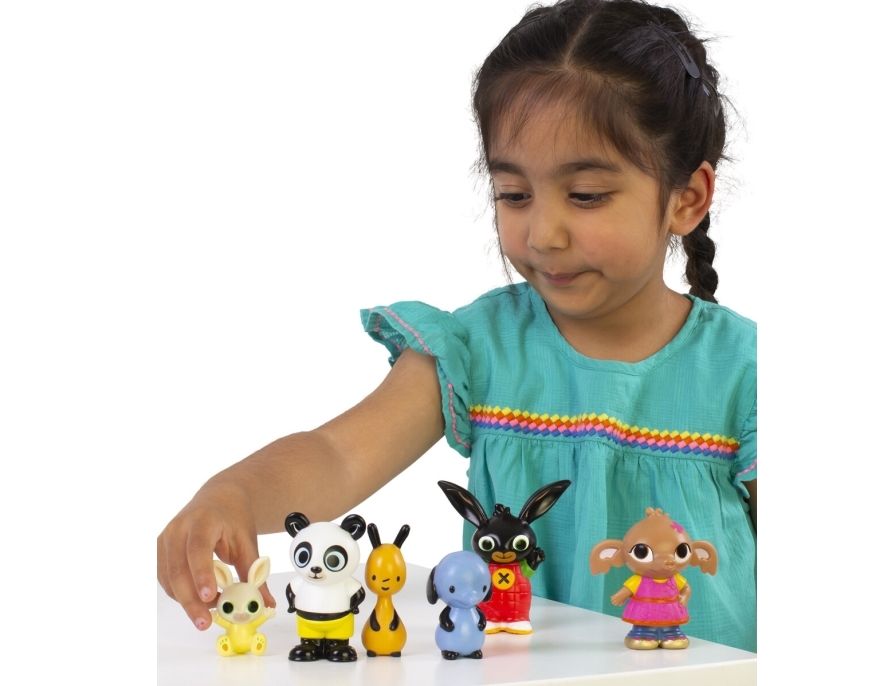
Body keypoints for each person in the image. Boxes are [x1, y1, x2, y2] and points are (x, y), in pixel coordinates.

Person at [157, 0, 757, 653]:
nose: (543, 234)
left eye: (585, 195)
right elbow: (337, 455)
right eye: (514, 195)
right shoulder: (481, 348)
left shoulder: (746, 370)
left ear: (686, 199)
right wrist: (233, 495)